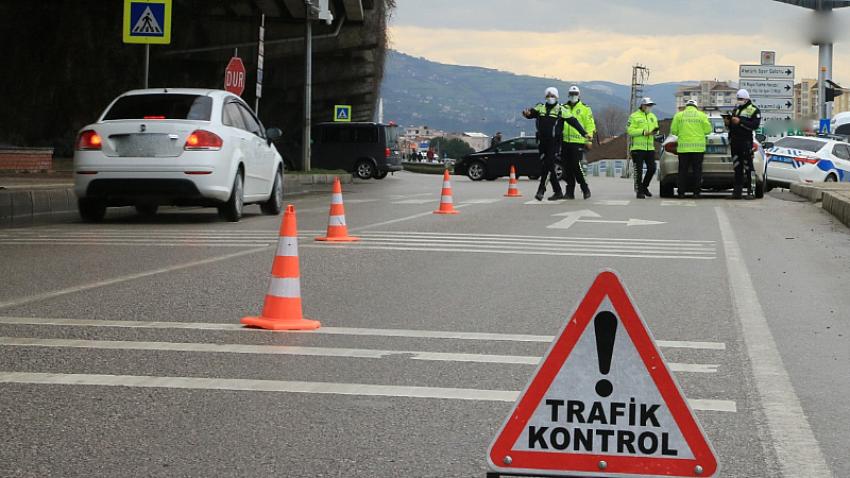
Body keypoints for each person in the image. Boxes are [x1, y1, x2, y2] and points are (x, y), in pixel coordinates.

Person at [523, 87, 589, 201]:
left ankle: (541, 190)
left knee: (550, 164)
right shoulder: (540, 108)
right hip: (542, 142)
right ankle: (557, 191)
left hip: (555, 143)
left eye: (552, 96)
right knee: (547, 166)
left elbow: (574, 122)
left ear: (557, 97)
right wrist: (526, 113)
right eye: (548, 96)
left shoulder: (561, 110)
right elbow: (531, 113)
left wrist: (584, 133)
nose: (550, 98)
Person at [670, 99, 711, 198]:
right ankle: (696, 193)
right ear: (696, 107)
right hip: (698, 149)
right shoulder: (702, 115)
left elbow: (674, 131)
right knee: (697, 171)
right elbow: (708, 130)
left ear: (686, 106)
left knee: (682, 171)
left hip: (683, 149)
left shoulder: (679, 115)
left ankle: (681, 193)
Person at [561, 86, 596, 199]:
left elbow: (590, 125)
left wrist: (588, 140)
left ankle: (584, 188)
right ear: (568, 94)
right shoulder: (563, 108)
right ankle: (569, 191)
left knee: (576, 166)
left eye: (575, 94)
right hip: (565, 142)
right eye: (571, 93)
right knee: (567, 168)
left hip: (578, 142)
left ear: (579, 95)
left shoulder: (585, 109)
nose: (573, 96)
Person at [729, 89, 762, 200]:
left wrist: (740, 122)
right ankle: (737, 193)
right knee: (737, 168)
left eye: (741, 99)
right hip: (735, 142)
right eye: (738, 99)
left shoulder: (754, 110)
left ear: (746, 99)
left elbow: (754, 125)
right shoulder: (736, 109)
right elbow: (733, 126)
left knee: (749, 168)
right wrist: (728, 122)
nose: (739, 101)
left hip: (745, 142)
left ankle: (751, 192)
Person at [627, 97, 660, 199]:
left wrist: (655, 132)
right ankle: (639, 191)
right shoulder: (634, 116)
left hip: (649, 147)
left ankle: (644, 186)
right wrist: (643, 132)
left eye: (651, 106)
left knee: (652, 168)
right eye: (648, 106)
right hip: (637, 148)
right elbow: (630, 130)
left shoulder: (653, 117)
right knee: (639, 170)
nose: (649, 108)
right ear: (643, 105)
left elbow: (656, 130)